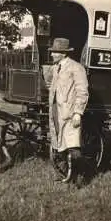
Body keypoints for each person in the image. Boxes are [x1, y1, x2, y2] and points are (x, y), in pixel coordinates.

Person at [44, 38, 89, 186]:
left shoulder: (76, 68)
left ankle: (81, 179)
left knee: (73, 147)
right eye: (52, 52)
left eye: (55, 52)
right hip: (57, 112)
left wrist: (78, 113)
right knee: (59, 145)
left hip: (70, 114)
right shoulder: (57, 67)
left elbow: (82, 91)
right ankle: (66, 175)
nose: (52, 55)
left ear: (63, 53)